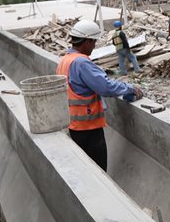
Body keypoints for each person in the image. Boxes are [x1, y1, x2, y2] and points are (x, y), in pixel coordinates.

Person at [57, 20, 144, 170]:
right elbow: (105, 86)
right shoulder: (81, 63)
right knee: (98, 170)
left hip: (73, 124)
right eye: (94, 41)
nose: (95, 45)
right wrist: (128, 88)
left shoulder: (65, 60)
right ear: (87, 41)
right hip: (88, 128)